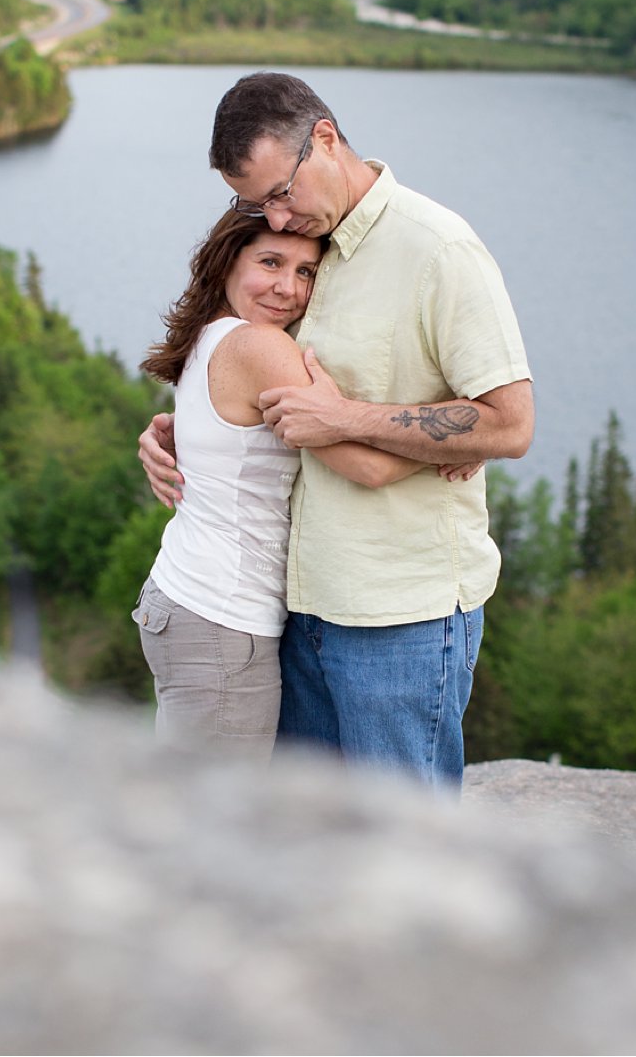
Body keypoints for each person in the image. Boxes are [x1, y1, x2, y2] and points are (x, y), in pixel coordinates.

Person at [139, 72, 533, 788]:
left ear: (324, 139)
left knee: (403, 841)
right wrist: (184, 434)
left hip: (399, 619)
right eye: (257, 208)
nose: (279, 221)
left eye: (282, 195)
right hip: (297, 609)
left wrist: (356, 421)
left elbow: (510, 423)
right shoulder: (309, 247)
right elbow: (251, 389)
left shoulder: (437, 250)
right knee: (305, 842)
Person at [133, 210, 428, 757]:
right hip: (223, 618)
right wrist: (466, 443)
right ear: (226, 262)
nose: (288, 289)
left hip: (186, 601)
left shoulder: (210, 332)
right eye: (270, 263)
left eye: (307, 272)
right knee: (217, 815)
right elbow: (368, 467)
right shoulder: (261, 347)